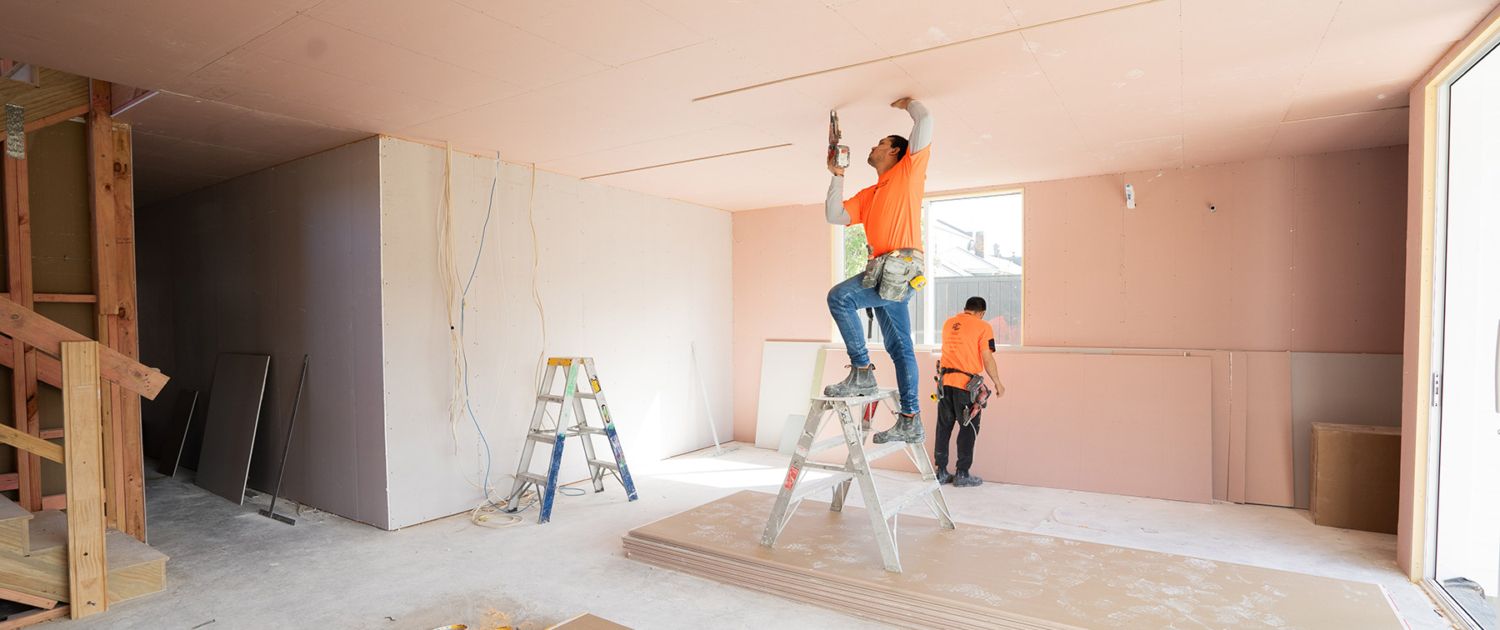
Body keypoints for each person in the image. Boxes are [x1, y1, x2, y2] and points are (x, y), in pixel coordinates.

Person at [821, 97, 933, 444]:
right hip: (884, 272)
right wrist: (837, 175)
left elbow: (925, 119)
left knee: (840, 298)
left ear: (897, 152)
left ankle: (862, 371)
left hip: (900, 267)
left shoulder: (908, 172)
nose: (874, 146)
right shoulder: (870, 193)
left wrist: (908, 103)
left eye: (882, 144)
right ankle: (910, 420)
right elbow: (834, 215)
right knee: (900, 349)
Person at [935, 296, 1006, 487]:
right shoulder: (983, 326)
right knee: (968, 428)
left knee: (943, 427)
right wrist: (998, 382)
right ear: (982, 313)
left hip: (944, 383)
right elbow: (987, 358)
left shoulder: (948, 323)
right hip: (966, 386)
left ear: (965, 308)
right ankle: (962, 474)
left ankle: (940, 472)